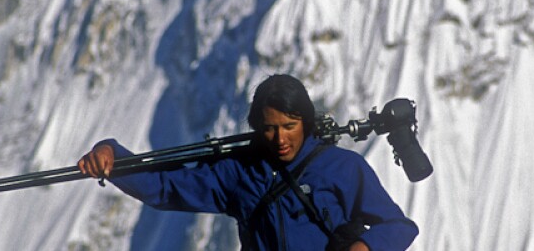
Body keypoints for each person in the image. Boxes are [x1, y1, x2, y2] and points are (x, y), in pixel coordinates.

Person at [78, 74, 419, 250]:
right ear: (257, 125)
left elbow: (399, 227)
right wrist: (113, 155)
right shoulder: (238, 173)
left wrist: (365, 247)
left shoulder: (343, 168)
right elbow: (164, 187)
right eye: (270, 128)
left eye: (290, 126)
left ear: (307, 122)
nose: (280, 139)